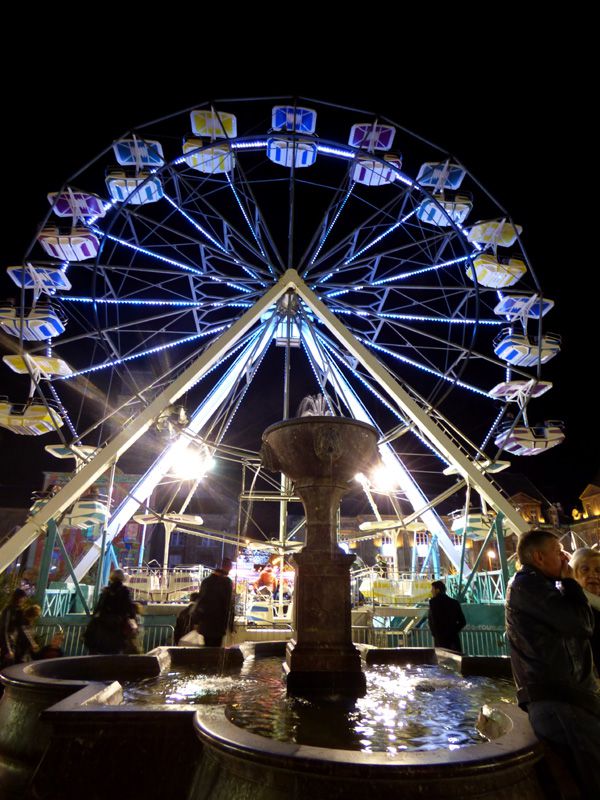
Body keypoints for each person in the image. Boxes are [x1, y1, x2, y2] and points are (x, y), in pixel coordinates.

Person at [505, 529, 600, 796]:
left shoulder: (535, 586)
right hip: (561, 702)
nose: (564, 559)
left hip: (565, 700)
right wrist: (571, 582)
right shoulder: (527, 585)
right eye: (558, 552)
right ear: (539, 556)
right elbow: (580, 623)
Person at [84, 569, 137, 654]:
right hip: (119, 625)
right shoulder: (125, 591)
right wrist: (132, 617)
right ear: (122, 578)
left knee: (92, 638)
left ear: (111, 578)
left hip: (105, 622)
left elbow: (99, 607)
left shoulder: (106, 591)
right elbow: (129, 608)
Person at [191, 559, 235, 647]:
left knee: (206, 649)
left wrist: (196, 621)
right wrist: (230, 625)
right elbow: (228, 605)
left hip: (205, 624)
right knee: (216, 651)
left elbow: (201, 601)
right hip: (218, 625)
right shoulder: (227, 582)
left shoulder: (206, 581)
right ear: (228, 567)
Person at [570, 547, 600, 669]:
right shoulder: (573, 607)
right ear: (573, 574)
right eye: (585, 570)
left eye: (598, 570)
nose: (593, 575)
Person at [427, 580, 466, 651]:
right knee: (456, 659)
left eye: (432, 589)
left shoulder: (433, 603)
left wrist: (435, 634)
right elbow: (463, 622)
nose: (431, 591)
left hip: (440, 640)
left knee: (442, 660)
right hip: (453, 639)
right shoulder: (455, 603)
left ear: (437, 590)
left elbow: (432, 621)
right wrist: (453, 630)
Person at [0, 588, 27, 667]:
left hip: (16, 644)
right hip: (9, 644)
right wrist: (8, 649)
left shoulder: (19, 611)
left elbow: (21, 628)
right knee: (7, 667)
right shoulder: (8, 610)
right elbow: (4, 630)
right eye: (23, 598)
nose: (24, 600)